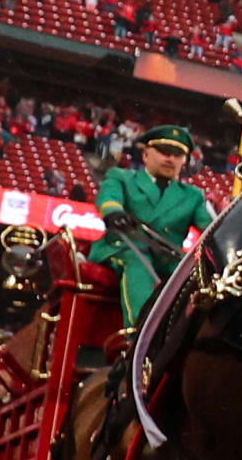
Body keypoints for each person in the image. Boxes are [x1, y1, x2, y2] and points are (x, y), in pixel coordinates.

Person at [90, 123, 215, 324]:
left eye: (177, 154)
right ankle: (138, 333)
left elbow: (211, 229)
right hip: (121, 249)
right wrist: (114, 212)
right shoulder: (122, 177)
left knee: (194, 277)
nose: (170, 158)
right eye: (164, 151)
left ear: (184, 161)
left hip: (168, 257)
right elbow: (108, 197)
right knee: (136, 260)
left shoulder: (194, 196)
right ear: (146, 154)